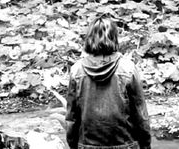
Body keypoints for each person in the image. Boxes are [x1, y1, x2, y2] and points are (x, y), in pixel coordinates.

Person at [65, 14, 152, 149]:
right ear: (114, 37)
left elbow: (72, 118)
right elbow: (141, 115)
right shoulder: (128, 68)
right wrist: (146, 146)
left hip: (87, 145)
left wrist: (73, 145)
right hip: (125, 145)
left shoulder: (76, 70)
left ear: (90, 38)